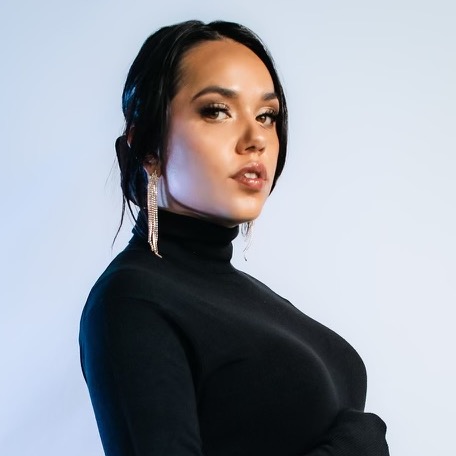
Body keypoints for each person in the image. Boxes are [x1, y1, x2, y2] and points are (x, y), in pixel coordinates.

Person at [79, 20, 390, 456]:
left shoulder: (238, 291)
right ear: (148, 147)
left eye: (267, 116)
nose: (255, 138)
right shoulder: (133, 300)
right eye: (216, 111)